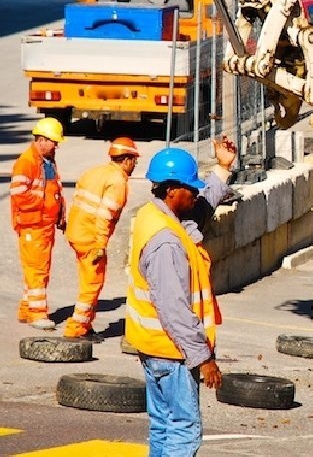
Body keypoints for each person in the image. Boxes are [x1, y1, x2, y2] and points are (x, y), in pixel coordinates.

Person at [125, 147, 228, 456]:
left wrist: (223, 169)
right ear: (171, 191)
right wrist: (203, 358)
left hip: (153, 348)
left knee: (163, 424)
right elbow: (173, 309)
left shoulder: (154, 214)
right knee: (184, 430)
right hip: (174, 352)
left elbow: (199, 211)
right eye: (190, 189)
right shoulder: (167, 242)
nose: (195, 195)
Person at [63, 137, 140, 342]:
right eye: (134, 160)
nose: (134, 165)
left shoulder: (94, 172)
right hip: (90, 238)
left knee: (86, 280)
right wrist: (100, 245)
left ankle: (84, 324)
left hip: (76, 233)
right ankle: (77, 328)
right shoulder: (118, 182)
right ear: (126, 160)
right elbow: (105, 217)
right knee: (92, 284)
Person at [10, 117, 66, 330]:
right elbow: (19, 194)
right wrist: (45, 206)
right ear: (42, 140)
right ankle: (37, 313)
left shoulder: (47, 159)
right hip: (33, 225)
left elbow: (54, 190)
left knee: (36, 268)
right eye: (54, 141)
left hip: (44, 224)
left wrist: (59, 212)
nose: (57, 145)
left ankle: (26, 308)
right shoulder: (27, 162)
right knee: (37, 270)